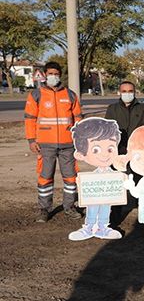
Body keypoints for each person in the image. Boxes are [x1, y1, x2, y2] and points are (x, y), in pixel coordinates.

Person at [24, 61, 83, 222]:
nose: (53, 76)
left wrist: (79, 139)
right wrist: (31, 140)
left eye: (56, 74)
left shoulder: (70, 95)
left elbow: (78, 117)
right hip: (45, 144)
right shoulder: (36, 95)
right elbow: (30, 118)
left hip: (68, 144)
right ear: (45, 75)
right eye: (50, 73)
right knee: (45, 177)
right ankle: (44, 209)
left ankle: (69, 207)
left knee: (71, 177)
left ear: (60, 75)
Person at [68, 117, 123, 241]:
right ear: (80, 154)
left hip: (108, 190)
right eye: (96, 149)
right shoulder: (91, 177)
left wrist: (124, 181)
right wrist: (82, 184)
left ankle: (103, 226)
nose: (104, 154)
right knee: (92, 203)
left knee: (105, 205)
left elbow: (121, 183)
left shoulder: (113, 175)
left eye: (110, 149)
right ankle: (89, 226)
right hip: (93, 189)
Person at [104, 81, 144, 155]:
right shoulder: (112, 108)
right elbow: (108, 129)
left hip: (137, 150)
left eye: (130, 91)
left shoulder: (142, 108)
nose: (127, 94)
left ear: (134, 92)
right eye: (124, 91)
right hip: (117, 150)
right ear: (120, 92)